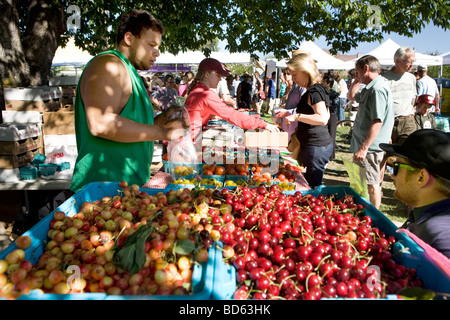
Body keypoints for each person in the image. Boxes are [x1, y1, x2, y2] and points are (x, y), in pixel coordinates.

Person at [70, 9, 187, 193]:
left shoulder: (130, 73)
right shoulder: (109, 65)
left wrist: (162, 119)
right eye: (150, 44)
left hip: (126, 190)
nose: (156, 53)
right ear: (129, 38)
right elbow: (101, 123)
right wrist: (161, 131)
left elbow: (130, 128)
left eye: (158, 47)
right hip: (102, 192)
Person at [380, 129, 450, 258]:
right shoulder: (423, 214)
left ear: (421, 177)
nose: (391, 175)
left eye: (396, 167)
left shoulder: (440, 238)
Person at [185, 57, 279, 147]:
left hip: (190, 139)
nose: (220, 79)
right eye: (218, 75)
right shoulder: (204, 93)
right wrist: (263, 124)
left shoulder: (198, 89)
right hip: (191, 142)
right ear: (206, 75)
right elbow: (232, 115)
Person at [274, 53, 333, 189]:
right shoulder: (318, 89)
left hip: (315, 147)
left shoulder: (314, 92)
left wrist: (297, 116)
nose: (294, 79)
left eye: (295, 75)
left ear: (305, 71)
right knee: (311, 183)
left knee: (313, 186)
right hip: (316, 145)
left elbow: (323, 118)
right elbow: (326, 115)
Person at [349, 55, 394, 209]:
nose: (357, 74)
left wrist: (364, 148)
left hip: (370, 149)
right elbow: (352, 96)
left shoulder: (377, 89)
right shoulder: (369, 87)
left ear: (366, 68)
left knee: (372, 184)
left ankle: (374, 216)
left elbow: (377, 121)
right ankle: (362, 211)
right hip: (365, 145)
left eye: (358, 71)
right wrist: (356, 81)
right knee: (360, 183)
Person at [321, 73, 339, 161]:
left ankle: (331, 155)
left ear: (329, 83)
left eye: (324, 81)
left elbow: (335, 106)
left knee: (331, 135)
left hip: (332, 116)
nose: (322, 82)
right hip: (323, 115)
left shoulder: (334, 94)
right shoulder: (320, 92)